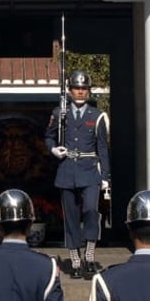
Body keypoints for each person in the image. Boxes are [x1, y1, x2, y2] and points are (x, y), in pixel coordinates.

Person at [44, 69, 110, 278]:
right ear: (70, 90)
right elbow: (49, 137)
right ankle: (74, 258)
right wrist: (54, 149)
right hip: (67, 169)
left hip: (90, 169)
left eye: (84, 89)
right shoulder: (59, 113)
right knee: (70, 217)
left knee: (91, 210)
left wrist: (106, 178)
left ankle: (89, 254)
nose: (80, 92)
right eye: (76, 88)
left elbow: (102, 148)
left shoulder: (97, 116)